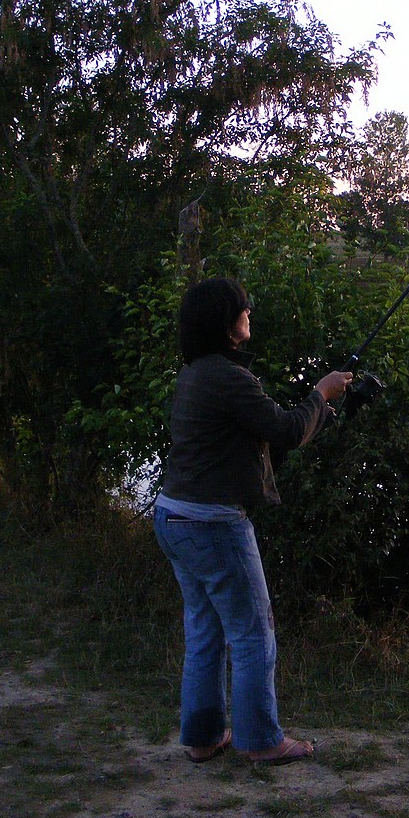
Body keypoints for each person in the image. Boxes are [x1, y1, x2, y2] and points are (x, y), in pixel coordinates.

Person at [154, 277, 352, 766]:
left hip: (173, 516)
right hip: (212, 524)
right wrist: (322, 394)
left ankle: (203, 739)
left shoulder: (194, 373)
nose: (250, 313)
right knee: (252, 632)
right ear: (227, 322)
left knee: (204, 629)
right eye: (245, 307)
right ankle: (262, 740)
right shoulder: (227, 377)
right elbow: (285, 430)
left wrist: (318, 405)